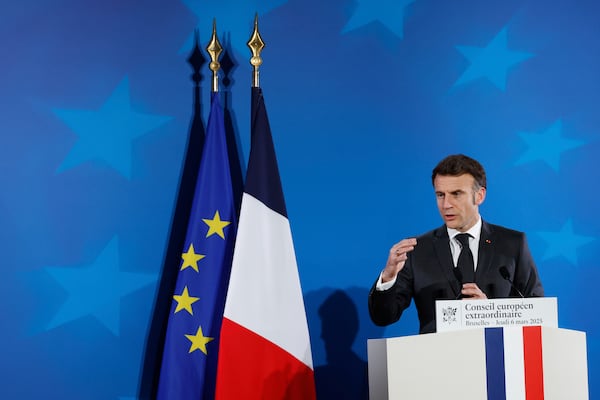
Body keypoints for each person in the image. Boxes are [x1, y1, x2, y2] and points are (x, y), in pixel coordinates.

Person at [368, 154, 544, 334]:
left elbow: (536, 310)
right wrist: (388, 278)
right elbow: (383, 317)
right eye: (440, 195)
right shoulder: (417, 250)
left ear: (479, 196)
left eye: (456, 194)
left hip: (497, 356)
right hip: (438, 358)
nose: (446, 204)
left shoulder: (512, 244)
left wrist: (490, 312)